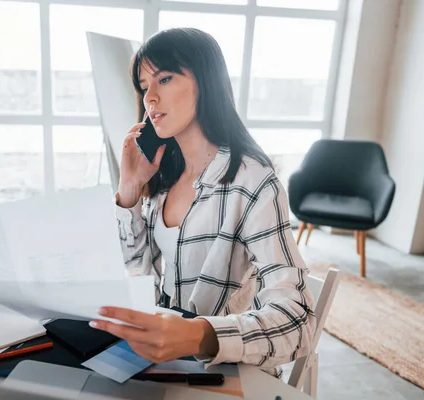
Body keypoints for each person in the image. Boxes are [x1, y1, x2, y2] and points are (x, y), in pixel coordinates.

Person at [89, 27, 316, 378]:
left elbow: (297, 320)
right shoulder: (161, 177)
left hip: (226, 369)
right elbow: (135, 269)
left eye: (164, 79)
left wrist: (199, 336)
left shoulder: (253, 181)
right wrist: (130, 190)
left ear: (205, 80)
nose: (149, 97)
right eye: (144, 86)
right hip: (161, 359)